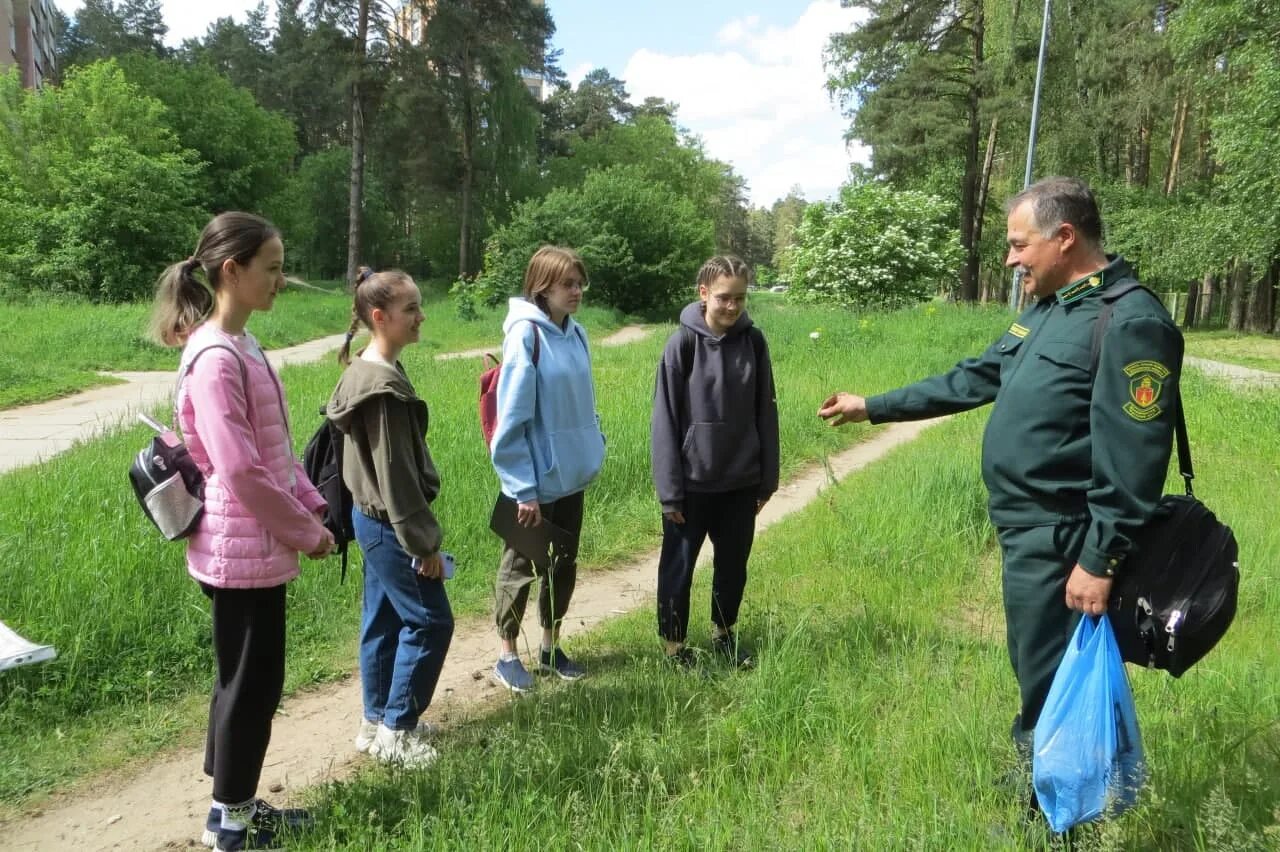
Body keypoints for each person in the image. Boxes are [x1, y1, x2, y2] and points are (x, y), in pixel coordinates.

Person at [818, 176, 1184, 808]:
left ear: (1064, 237)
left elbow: (1136, 462)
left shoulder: (1129, 321)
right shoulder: (1050, 306)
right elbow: (978, 375)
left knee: (1049, 682)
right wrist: (873, 406)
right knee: (1040, 671)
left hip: (1065, 538)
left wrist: (1098, 560)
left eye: (1020, 244)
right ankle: (1055, 795)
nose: (1011, 259)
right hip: (1028, 534)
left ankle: (1050, 817)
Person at [150, 212, 334, 852]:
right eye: (273, 268)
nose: (281, 280)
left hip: (255, 540)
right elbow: (240, 470)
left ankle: (237, 800)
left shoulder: (245, 345)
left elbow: (276, 453)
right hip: (239, 546)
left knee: (250, 678)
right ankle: (227, 822)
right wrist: (306, 534)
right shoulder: (214, 357)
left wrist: (313, 503)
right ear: (233, 270)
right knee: (251, 682)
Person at [325, 267, 454, 768]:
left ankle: (375, 719)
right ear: (379, 317)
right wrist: (424, 545)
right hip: (391, 524)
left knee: (381, 620)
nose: (421, 317)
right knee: (430, 622)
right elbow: (395, 475)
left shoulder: (366, 368)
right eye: (412, 310)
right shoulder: (381, 388)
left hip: (370, 520)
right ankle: (397, 731)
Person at [650, 255, 779, 669]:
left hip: (740, 483)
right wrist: (670, 494)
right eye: (724, 297)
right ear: (703, 293)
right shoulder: (681, 344)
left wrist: (767, 481)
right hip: (691, 485)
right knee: (678, 569)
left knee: (732, 567)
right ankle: (674, 648)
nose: (732, 306)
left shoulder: (754, 342)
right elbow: (664, 421)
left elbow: (766, 412)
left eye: (740, 298)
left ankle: (724, 635)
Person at [489, 246, 606, 692]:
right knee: (520, 567)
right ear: (542, 287)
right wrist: (522, 488)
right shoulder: (525, 335)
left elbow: (583, 402)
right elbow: (511, 420)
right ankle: (507, 655)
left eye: (579, 283)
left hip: (572, 474)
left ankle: (550, 647)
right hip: (535, 482)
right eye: (567, 284)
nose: (576, 291)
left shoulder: (576, 334)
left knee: (563, 565)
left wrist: (592, 445)